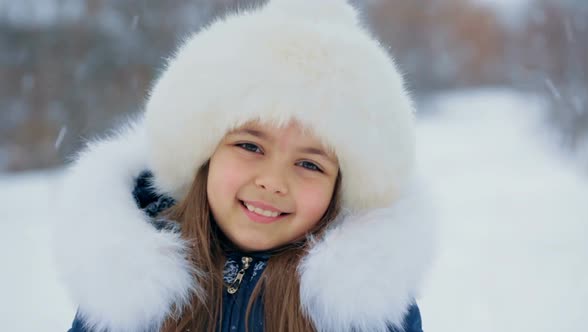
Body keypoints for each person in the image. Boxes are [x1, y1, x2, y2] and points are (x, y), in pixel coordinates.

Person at [55, 0, 434, 331]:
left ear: (342, 188)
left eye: (309, 164)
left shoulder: (365, 313)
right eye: (250, 145)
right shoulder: (128, 289)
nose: (272, 182)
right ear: (204, 152)